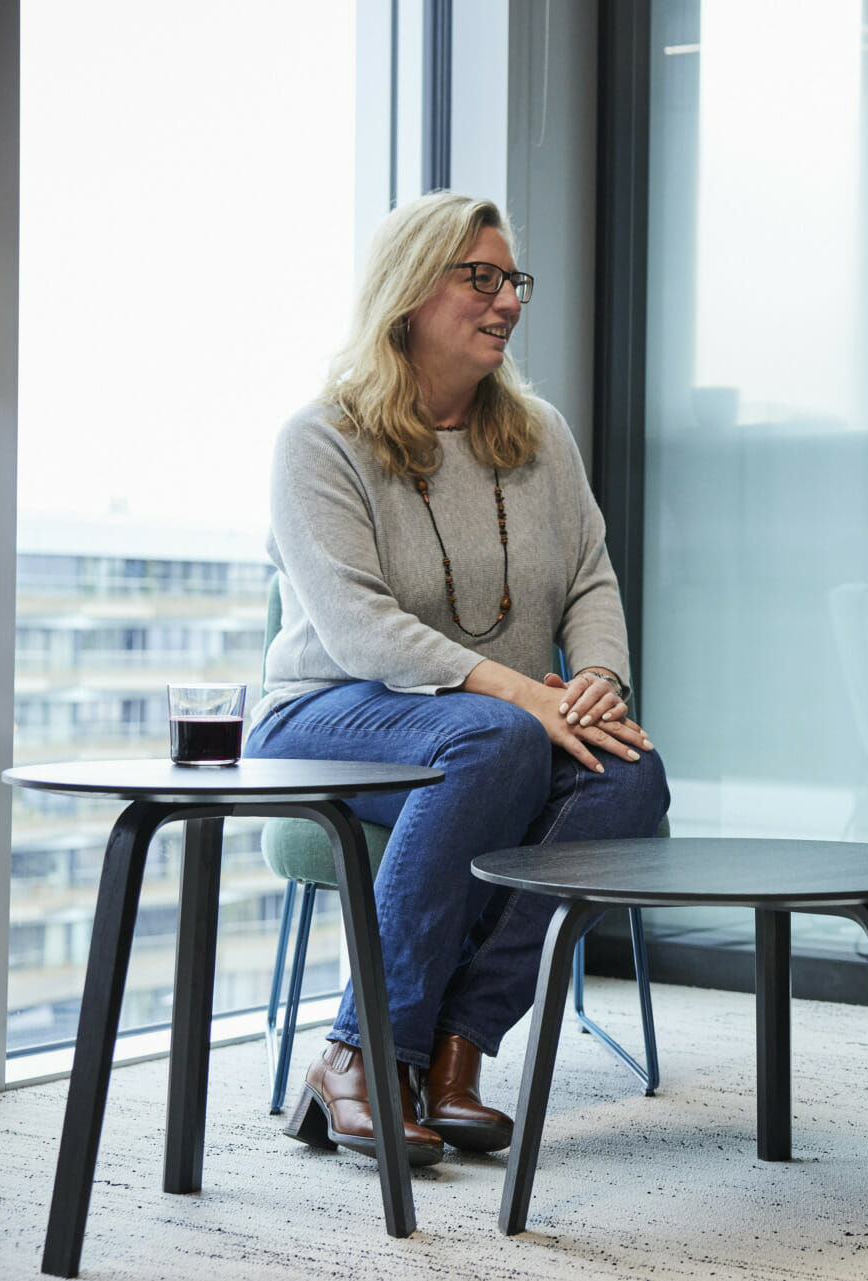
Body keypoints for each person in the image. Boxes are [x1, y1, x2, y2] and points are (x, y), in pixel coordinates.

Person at [249, 192, 670, 1167]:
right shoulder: (320, 441)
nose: (507, 299)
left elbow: (590, 580)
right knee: (499, 738)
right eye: (478, 277)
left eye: (511, 279)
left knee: (631, 775)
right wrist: (527, 694)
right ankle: (357, 1051)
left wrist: (598, 677)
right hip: (329, 713)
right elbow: (358, 631)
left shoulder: (538, 437)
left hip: (495, 735)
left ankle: (455, 1050)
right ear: (409, 290)